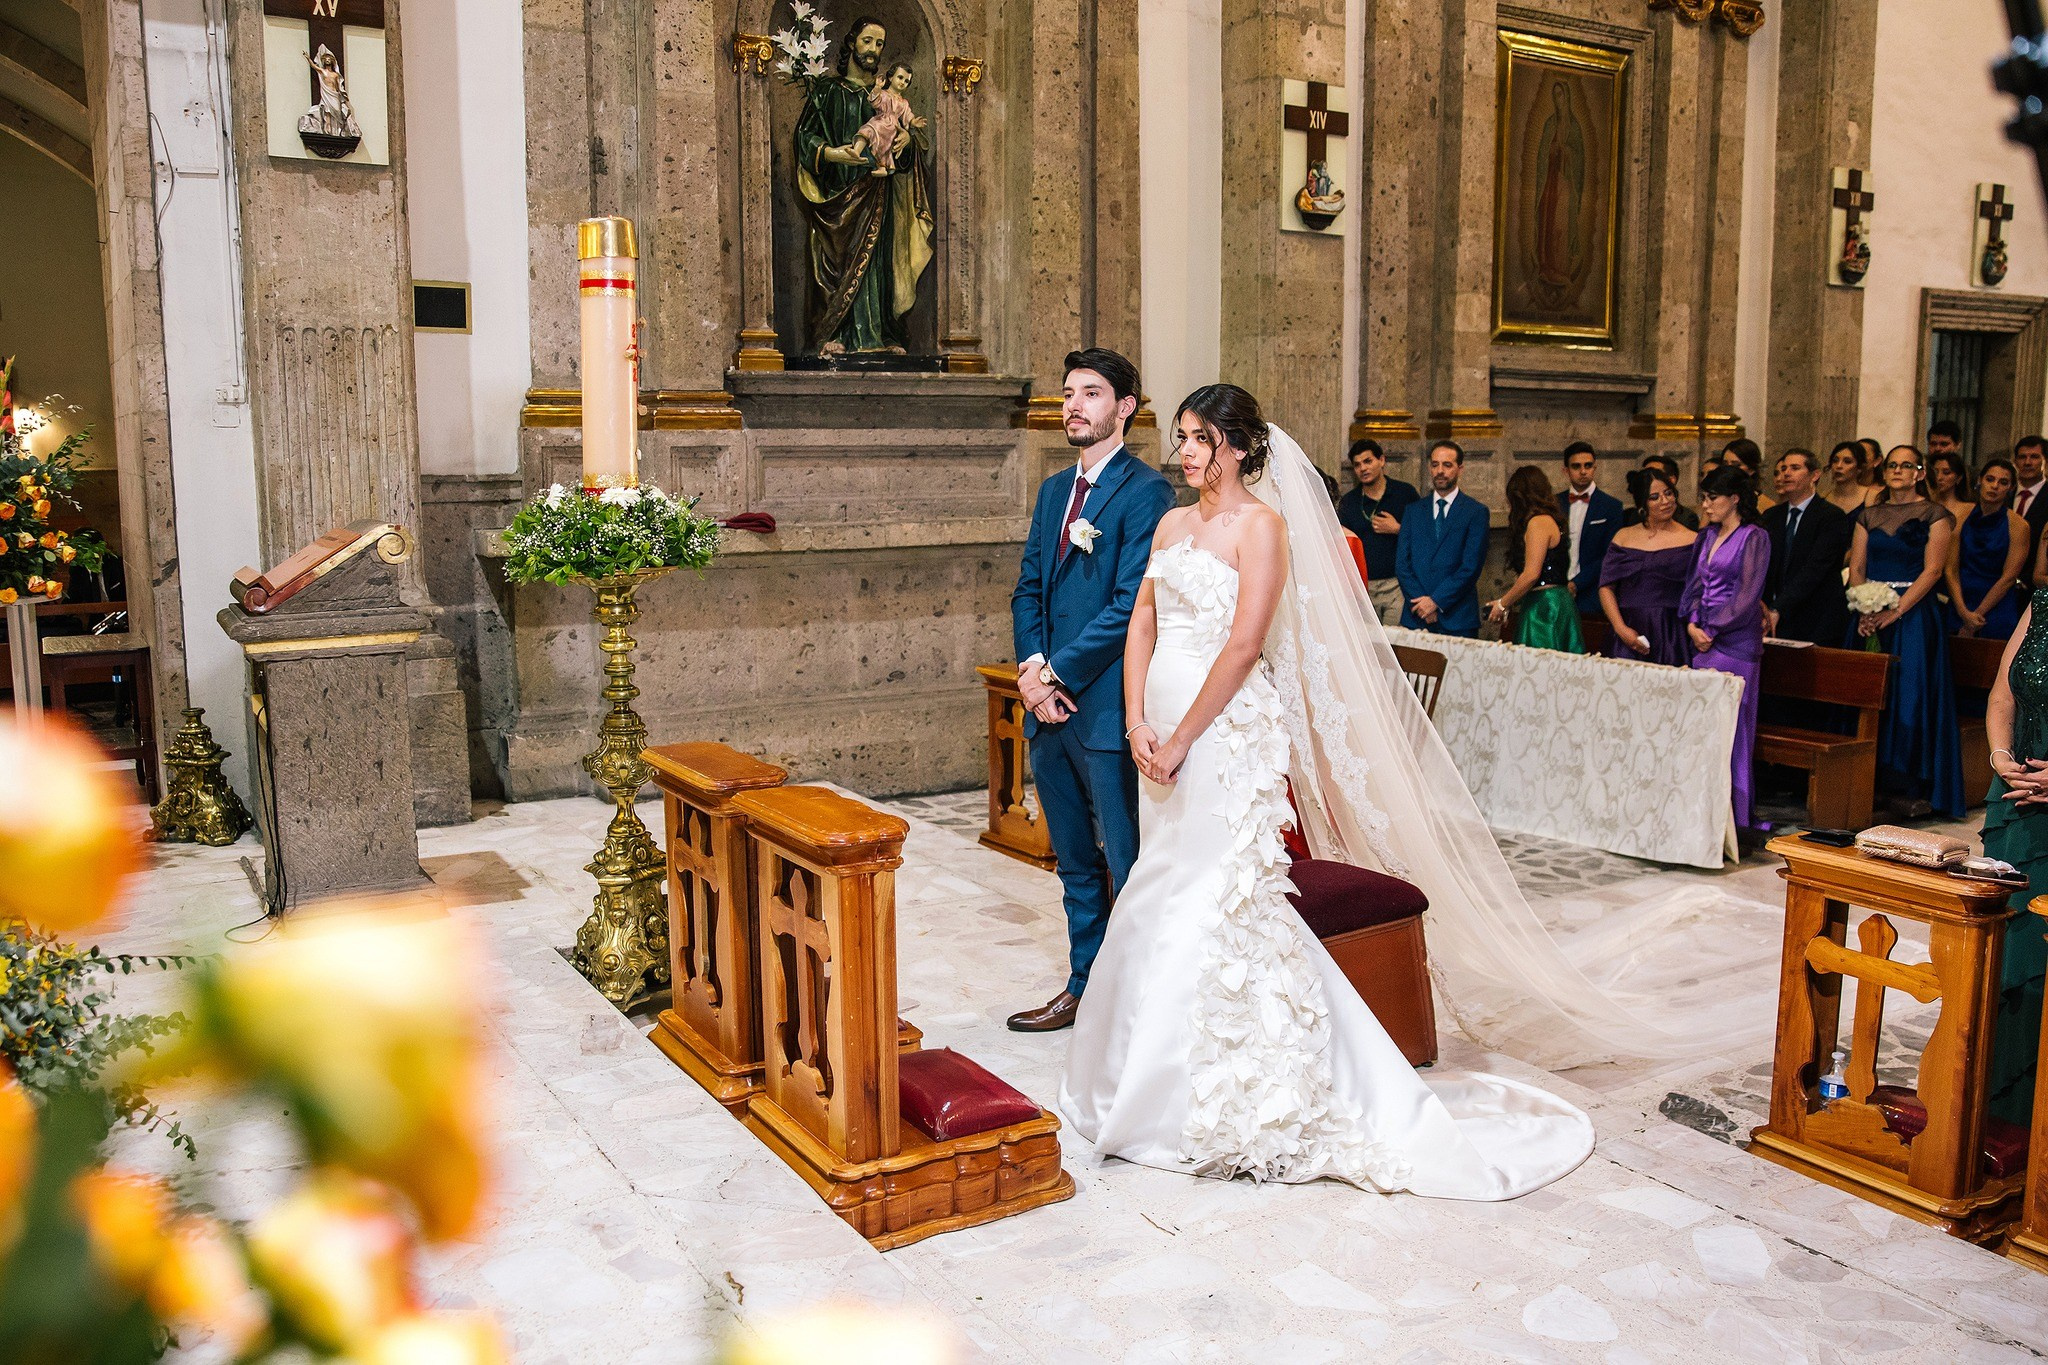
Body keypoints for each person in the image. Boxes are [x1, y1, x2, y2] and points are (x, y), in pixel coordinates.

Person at [1060, 384, 1594, 1199]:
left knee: (1220, 896)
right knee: (1160, 888)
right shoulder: (1171, 524)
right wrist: (1137, 721)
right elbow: (1141, 623)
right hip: (1157, 738)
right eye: (1182, 437)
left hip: (1220, 737)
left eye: (1200, 438)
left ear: (1238, 445)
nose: (1185, 452)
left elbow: (1242, 648)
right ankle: (1152, 1080)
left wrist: (1181, 735)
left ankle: (1241, 1089)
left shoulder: (1264, 528)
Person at [1007, 348, 1176, 1032]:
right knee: (1074, 861)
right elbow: (1027, 588)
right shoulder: (1053, 493)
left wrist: (1057, 673)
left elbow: (1131, 604)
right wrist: (1032, 668)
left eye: (1092, 393)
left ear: (1125, 408)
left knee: (1126, 862)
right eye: (1069, 391)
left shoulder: (1146, 492)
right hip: (1050, 714)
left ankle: (1134, 998)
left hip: (1106, 710)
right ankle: (1084, 984)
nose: (1073, 404)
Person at [1850, 445, 1963, 819]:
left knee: (1912, 693)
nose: (1898, 471)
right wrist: (1864, 607)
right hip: (1872, 612)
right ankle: (1872, 779)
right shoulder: (1868, 515)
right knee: (1870, 693)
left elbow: (1933, 571)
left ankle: (1911, 783)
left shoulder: (1936, 514)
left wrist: (1894, 610)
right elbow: (1857, 568)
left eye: (1907, 466)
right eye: (1893, 465)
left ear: (1919, 473)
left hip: (1913, 616)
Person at [1981, 601, 2048, 1127]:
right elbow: (2004, 695)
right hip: (2018, 799)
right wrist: (2001, 758)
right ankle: (1993, 1115)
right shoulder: (2042, 603)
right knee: (2000, 962)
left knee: (2037, 976)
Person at [1681, 465, 1772, 831]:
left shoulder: (1754, 537)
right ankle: (1701, 814)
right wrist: (1691, 624)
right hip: (1703, 639)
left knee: (1734, 727)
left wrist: (1712, 628)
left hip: (1735, 642)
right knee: (1703, 727)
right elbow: (1693, 585)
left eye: (1712, 498)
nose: (1705, 505)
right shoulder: (1706, 536)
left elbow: (1748, 595)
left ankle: (1733, 817)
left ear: (1735, 498)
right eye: (1703, 498)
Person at [1597, 466, 1696, 665]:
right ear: (1642, 503)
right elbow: (1606, 587)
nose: (1665, 501)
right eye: (1655, 497)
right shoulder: (1623, 537)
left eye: (1668, 493)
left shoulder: (1692, 539)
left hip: (1671, 631)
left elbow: (1700, 590)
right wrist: (1620, 628)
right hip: (1627, 627)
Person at [1761, 447, 1854, 646]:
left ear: (1815, 475)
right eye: (1784, 468)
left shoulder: (1831, 516)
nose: (1786, 473)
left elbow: (1815, 569)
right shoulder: (1771, 517)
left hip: (1817, 618)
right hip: (1774, 617)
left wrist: (1779, 608)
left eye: (1795, 468)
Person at [1395, 441, 1490, 637]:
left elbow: (1470, 567)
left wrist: (1436, 602)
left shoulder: (1476, 512)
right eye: (1435, 464)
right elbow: (1402, 565)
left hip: (1458, 617)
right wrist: (1422, 603)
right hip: (1416, 616)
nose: (1440, 471)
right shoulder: (1413, 511)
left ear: (1460, 468)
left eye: (1447, 465)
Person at [1487, 466, 1583, 652]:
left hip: (1545, 606)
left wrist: (1502, 603)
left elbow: (1531, 574)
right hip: (1558, 600)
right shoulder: (1551, 519)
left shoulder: (1538, 522)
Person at [1335, 437, 1419, 626]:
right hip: (1363, 588)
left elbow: (1424, 536)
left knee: (1396, 645)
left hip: (1396, 585)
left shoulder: (1404, 493)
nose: (1363, 468)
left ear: (1382, 460)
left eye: (1368, 461)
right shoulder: (1349, 501)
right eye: (1357, 465)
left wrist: (1398, 529)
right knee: (1369, 647)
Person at [1947, 456, 2030, 640]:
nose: (1995, 486)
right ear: (1980, 481)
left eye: (2003, 482)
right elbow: (1950, 569)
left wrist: (1976, 615)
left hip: (1996, 606)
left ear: (2011, 488)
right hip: (1960, 600)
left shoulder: (2018, 526)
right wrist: (1962, 610)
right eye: (1990, 479)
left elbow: (2009, 577)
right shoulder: (1960, 517)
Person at [1557, 440, 1622, 614]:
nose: (1583, 471)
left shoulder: (1611, 506)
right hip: (1556, 589)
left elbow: (1610, 555)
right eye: (1576, 466)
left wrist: (1577, 583)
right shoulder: (1553, 503)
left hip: (1593, 593)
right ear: (1566, 470)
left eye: (1588, 465)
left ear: (1595, 468)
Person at [849, 62, 927, 175]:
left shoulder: (904, 103)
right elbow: (873, 102)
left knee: (885, 147)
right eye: (900, 77)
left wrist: (914, 122)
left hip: (892, 127)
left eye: (906, 81)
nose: (902, 83)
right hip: (879, 121)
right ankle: (856, 151)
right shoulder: (883, 94)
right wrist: (877, 88)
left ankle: (882, 167)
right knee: (867, 130)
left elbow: (907, 115)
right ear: (890, 77)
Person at [1621, 454, 1700, 530]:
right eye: (1646, 474)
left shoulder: (1686, 518)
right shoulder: (1630, 517)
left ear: (1672, 480)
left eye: (1656, 473)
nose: (1649, 478)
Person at [1719, 438, 1776, 512]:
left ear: (1751, 469)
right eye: (1725, 464)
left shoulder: (1765, 505)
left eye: (1736, 465)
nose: (1729, 469)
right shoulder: (1714, 498)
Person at [1823, 440, 1875, 515]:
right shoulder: (1824, 497)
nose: (1839, 466)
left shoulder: (1872, 497)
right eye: (1835, 461)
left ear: (1859, 468)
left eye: (1847, 461)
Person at [1927, 445, 1975, 524]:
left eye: (1946, 473)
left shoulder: (1970, 509)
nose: (1939, 477)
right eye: (1935, 472)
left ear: (1959, 477)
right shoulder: (1924, 507)